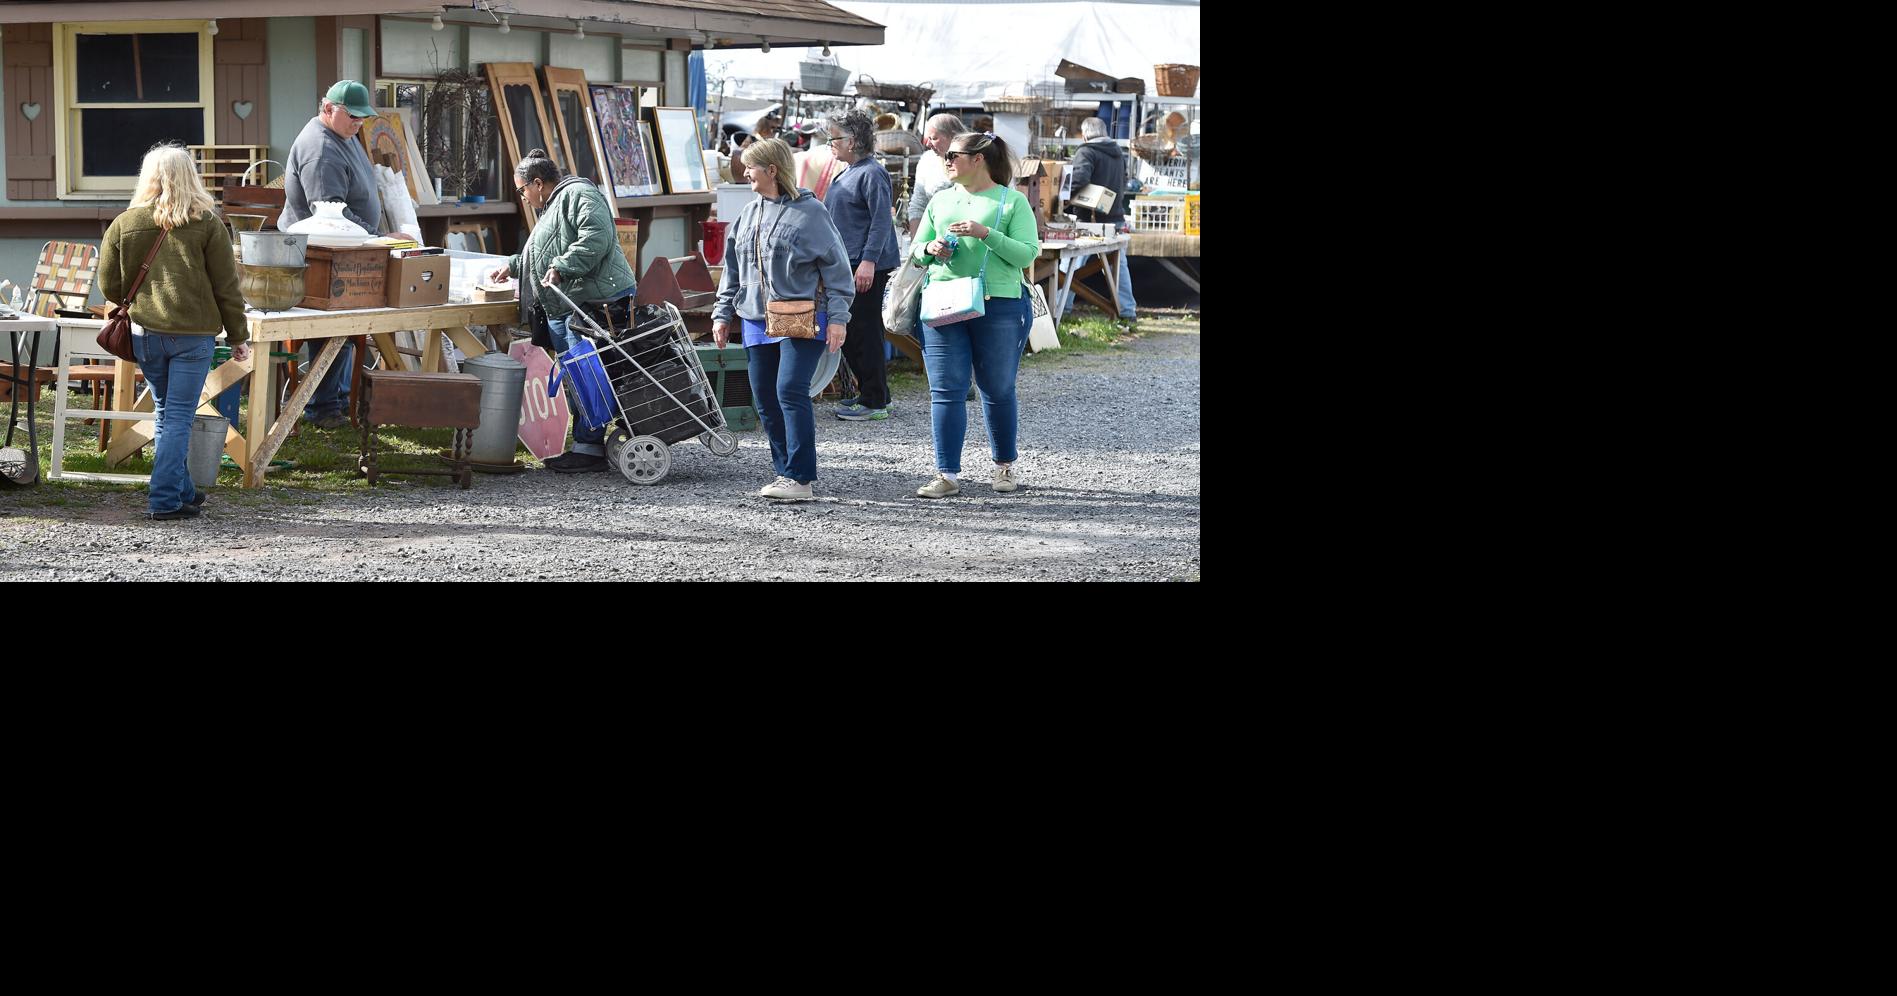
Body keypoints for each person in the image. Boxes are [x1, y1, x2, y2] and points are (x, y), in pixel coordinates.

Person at [99, 143, 250, 520]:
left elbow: (108, 285)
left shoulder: (125, 223)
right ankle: (165, 499)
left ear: (147, 176)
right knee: (178, 416)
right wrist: (237, 336)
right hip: (194, 336)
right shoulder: (208, 223)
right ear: (190, 176)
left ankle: (183, 489)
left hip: (146, 334)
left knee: (168, 413)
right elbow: (226, 286)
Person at [710, 139, 853, 502]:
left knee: (789, 389)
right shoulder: (747, 213)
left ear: (772, 170)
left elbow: (837, 270)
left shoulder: (812, 213)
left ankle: (801, 477)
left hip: (802, 317)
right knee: (765, 399)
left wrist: (838, 318)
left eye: (751, 166)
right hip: (755, 319)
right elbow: (733, 269)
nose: (744, 172)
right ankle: (784, 471)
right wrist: (722, 313)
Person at [486, 149, 638, 473]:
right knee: (580, 375)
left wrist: (563, 266)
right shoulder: (555, 203)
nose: (523, 197)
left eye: (522, 189)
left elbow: (597, 236)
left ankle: (589, 449)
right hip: (574, 302)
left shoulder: (580, 193)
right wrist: (513, 267)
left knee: (586, 374)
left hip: (591, 303)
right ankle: (587, 445)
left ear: (538, 183)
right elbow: (545, 249)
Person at [908, 131, 1040, 499]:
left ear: (978, 159)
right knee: (945, 390)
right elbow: (917, 250)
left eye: (953, 155)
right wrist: (930, 248)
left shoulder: (1011, 201)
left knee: (997, 389)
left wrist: (987, 234)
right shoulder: (940, 200)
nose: (946, 161)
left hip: (999, 303)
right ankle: (946, 474)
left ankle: (1004, 468)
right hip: (943, 301)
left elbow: (1027, 255)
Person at [279, 80, 392, 430]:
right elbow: (330, 216)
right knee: (330, 330)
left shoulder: (341, 135)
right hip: (322, 254)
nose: (359, 123)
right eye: (353, 116)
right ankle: (324, 406)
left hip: (346, 252)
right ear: (328, 109)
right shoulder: (320, 150)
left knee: (341, 331)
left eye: (363, 118)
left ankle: (335, 399)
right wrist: (380, 238)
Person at [821, 110, 900, 422]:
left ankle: (874, 400)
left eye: (834, 138)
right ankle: (876, 392)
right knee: (856, 330)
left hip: (863, 264)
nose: (830, 143)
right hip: (849, 261)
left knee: (862, 331)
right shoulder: (850, 170)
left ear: (851, 141)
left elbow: (882, 222)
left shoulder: (871, 173)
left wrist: (868, 262)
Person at [1062, 117, 1137, 327]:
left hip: (1089, 220)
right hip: (1115, 217)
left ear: (1085, 135)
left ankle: (1061, 308)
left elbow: (1079, 179)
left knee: (1071, 263)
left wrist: (1063, 198)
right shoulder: (1117, 153)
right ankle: (1127, 311)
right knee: (1118, 267)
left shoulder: (1086, 151)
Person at [906, 114, 967, 238]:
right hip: (935, 237)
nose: (928, 144)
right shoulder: (927, 160)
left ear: (953, 136)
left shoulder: (970, 161)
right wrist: (916, 244)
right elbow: (918, 204)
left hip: (968, 234)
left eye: (933, 138)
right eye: (927, 139)